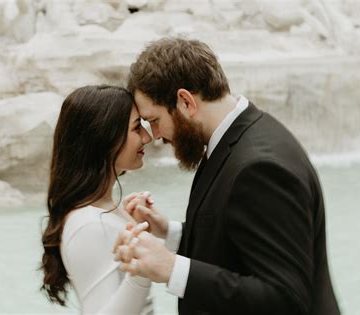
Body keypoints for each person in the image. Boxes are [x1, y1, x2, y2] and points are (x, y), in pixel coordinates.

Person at [113, 38, 340, 314]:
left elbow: (285, 300)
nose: (155, 137)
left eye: (156, 121)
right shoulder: (237, 137)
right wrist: (168, 231)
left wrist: (171, 268)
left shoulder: (260, 168)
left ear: (185, 102)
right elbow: (234, 246)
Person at [40, 85, 155, 314]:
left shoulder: (104, 211)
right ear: (106, 138)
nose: (147, 136)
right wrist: (140, 273)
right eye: (136, 127)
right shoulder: (89, 225)